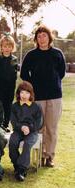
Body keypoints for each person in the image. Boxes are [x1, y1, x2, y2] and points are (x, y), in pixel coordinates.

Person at [20, 25, 66, 167]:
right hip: (38, 97)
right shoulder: (31, 55)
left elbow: (62, 73)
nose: (42, 38)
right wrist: (32, 87)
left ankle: (49, 157)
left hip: (54, 96)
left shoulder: (57, 53)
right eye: (39, 36)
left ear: (49, 37)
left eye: (44, 35)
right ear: (36, 39)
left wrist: (53, 83)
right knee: (39, 128)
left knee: (51, 128)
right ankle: (39, 155)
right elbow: (23, 73)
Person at [9, 81, 43, 181]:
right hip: (18, 130)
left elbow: (39, 123)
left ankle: (22, 169)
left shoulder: (36, 106)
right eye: (22, 92)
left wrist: (30, 128)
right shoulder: (15, 106)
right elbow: (13, 121)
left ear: (31, 94)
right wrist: (21, 127)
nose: (24, 95)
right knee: (13, 143)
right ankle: (17, 165)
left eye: (27, 93)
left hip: (32, 131)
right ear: (18, 93)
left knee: (27, 144)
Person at [0, 34, 18, 132]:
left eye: (9, 46)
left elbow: (14, 73)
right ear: (1, 47)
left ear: (12, 47)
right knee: (0, 104)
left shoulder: (14, 59)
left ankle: (6, 123)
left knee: (8, 105)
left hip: (10, 86)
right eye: (5, 46)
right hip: (1, 86)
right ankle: (0, 123)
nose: (7, 48)